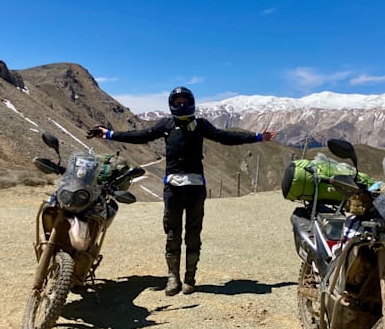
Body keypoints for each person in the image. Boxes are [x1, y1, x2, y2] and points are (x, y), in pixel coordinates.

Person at [87, 86, 277, 295]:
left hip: (196, 187)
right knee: (172, 233)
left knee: (193, 234)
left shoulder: (202, 125)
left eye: (185, 101)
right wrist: (109, 134)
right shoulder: (167, 124)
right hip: (173, 188)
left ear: (192, 102)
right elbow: (141, 135)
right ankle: (173, 278)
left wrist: (259, 137)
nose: (182, 105)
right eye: (177, 102)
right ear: (171, 104)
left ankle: (190, 279)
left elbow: (225, 137)